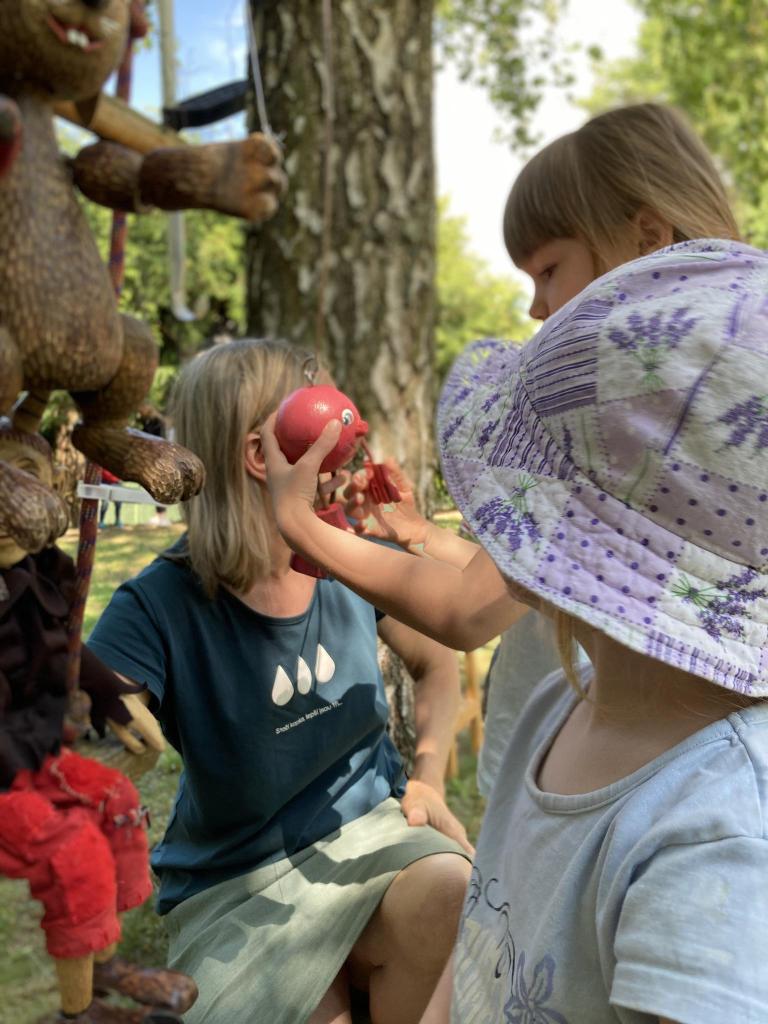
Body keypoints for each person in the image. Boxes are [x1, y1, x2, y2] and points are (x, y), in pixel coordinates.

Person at [262, 104, 768, 1023]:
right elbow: (486, 941)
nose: (535, 306)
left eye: (547, 269)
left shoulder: (713, 838)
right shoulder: (557, 706)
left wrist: (303, 524)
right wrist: (423, 536)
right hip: (560, 777)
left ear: (646, 238)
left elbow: (467, 609)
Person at [86, 338, 473, 1024]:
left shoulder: (352, 563)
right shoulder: (156, 605)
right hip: (236, 883)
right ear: (261, 454)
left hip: (375, 840)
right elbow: (78, 734)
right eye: (326, 420)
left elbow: (438, 660)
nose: (348, 446)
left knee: (453, 891)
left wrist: (429, 774)